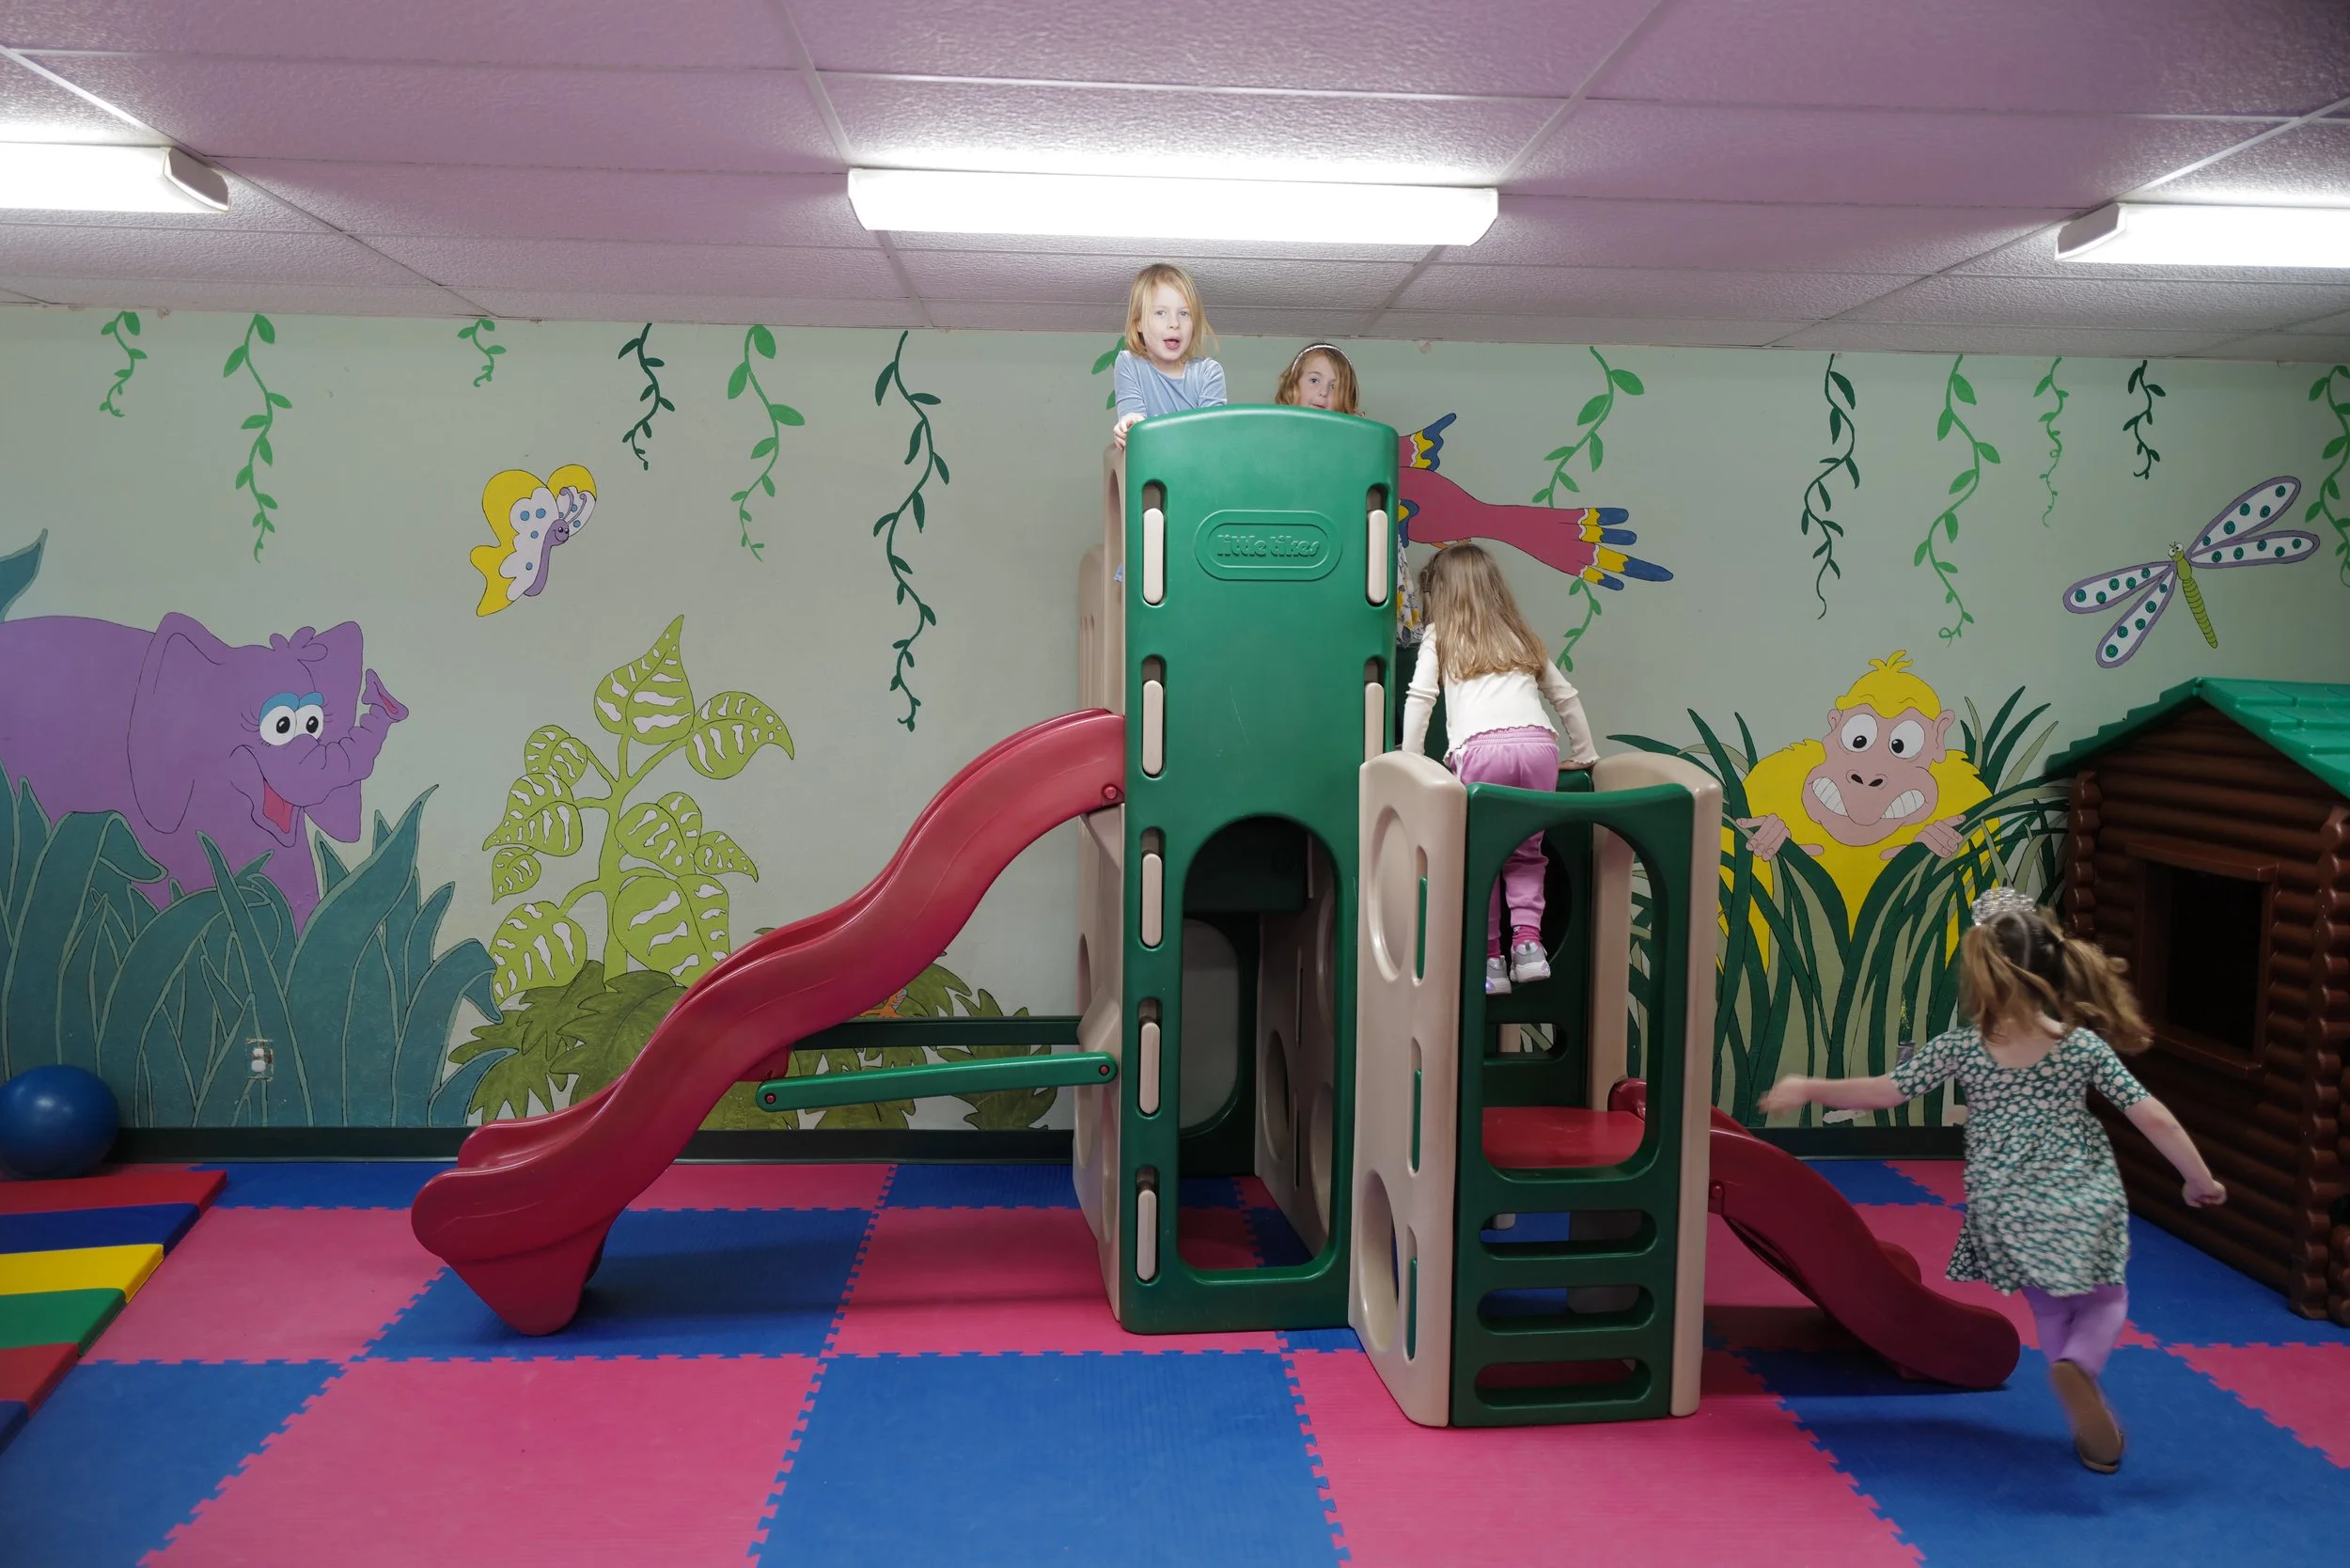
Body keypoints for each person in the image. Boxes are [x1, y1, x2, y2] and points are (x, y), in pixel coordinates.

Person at [1760, 887, 2227, 1475]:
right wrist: (2197, 1178)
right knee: (2106, 1296)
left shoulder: (1961, 1048)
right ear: (2057, 973)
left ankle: (2075, 1383)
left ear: (1983, 978)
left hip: (2002, 1200)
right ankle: (2081, 1369)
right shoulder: (2080, 1047)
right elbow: (2150, 1113)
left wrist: (1809, 1087)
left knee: (2052, 1308)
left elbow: (1885, 1091)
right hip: (2080, 1191)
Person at [1400, 543, 1598, 995]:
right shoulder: (1519, 633)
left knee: (1483, 854)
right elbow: (1564, 695)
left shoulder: (1440, 635)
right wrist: (1585, 752)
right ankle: (1528, 949)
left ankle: (1491, 959)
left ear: (1440, 594)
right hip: (1538, 748)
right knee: (1527, 852)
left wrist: (1410, 759)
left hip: (1481, 753)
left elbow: (1420, 697)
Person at [1272, 343, 1425, 644]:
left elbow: (1367, 499)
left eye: (1334, 386)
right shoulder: (1276, 436)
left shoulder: (1356, 441)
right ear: (1294, 386)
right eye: (1314, 381)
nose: (1323, 393)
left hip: (1350, 546)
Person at [1111, 263, 1224, 447]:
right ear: (1138, 323)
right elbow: (1135, 422)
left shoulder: (1208, 373)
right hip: (1152, 467)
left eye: (1184, 313)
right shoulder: (1130, 364)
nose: (1174, 323)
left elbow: (1212, 435)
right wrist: (1130, 423)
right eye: (1160, 313)